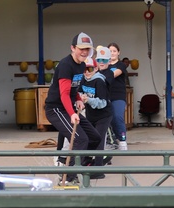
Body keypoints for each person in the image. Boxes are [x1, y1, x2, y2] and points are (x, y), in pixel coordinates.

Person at [44, 32, 101, 180]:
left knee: (94, 137)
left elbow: (73, 87)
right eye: (81, 48)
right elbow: (64, 93)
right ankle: (68, 177)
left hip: (68, 107)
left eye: (87, 49)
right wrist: (72, 113)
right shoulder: (65, 65)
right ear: (73, 48)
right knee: (80, 139)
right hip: (56, 109)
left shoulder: (81, 65)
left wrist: (78, 98)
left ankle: (69, 164)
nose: (84, 52)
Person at [106, 42, 130, 150]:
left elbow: (114, 74)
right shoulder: (104, 64)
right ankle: (112, 140)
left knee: (117, 117)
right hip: (106, 96)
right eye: (110, 51)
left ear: (118, 52)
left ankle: (122, 140)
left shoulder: (121, 65)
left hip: (118, 96)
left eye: (114, 51)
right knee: (108, 119)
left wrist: (101, 72)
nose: (112, 53)